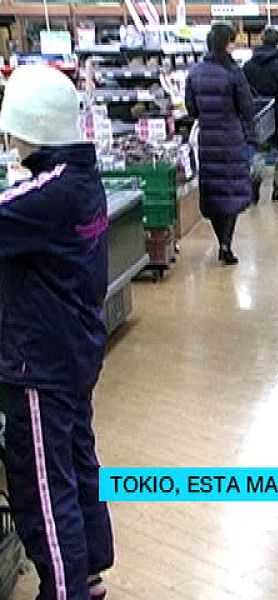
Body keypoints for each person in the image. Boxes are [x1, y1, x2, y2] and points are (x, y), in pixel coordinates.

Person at [0, 65, 114, 599]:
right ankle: (87, 573)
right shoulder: (82, 180)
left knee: (43, 487)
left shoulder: (47, 194)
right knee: (74, 465)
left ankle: (66, 591)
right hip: (74, 353)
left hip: (39, 365)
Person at [186, 22, 255, 265]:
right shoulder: (233, 72)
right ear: (227, 44)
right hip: (231, 139)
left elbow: (191, 109)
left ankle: (221, 241)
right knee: (230, 191)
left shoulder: (194, 73)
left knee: (214, 192)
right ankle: (226, 243)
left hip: (208, 138)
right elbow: (247, 107)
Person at [244, 26, 278, 203]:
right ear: (277, 42)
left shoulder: (248, 65)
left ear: (261, 40)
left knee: (259, 151)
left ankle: (254, 187)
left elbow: (244, 90)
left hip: (258, 112)